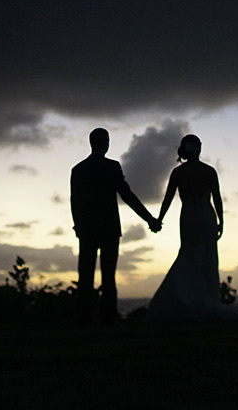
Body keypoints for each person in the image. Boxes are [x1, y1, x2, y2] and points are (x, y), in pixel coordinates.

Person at [146, 134, 238, 322]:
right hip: (204, 217)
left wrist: (159, 220)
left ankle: (190, 299)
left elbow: (168, 199)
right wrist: (221, 221)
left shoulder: (179, 173)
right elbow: (216, 199)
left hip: (189, 217)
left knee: (190, 256)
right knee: (207, 259)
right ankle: (204, 299)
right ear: (195, 148)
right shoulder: (207, 171)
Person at [70, 127, 161, 326]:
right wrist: (149, 218)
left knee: (85, 275)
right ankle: (108, 318)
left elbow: (74, 201)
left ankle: (84, 317)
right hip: (109, 228)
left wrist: (78, 226)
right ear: (105, 143)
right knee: (108, 277)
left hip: (87, 229)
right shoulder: (112, 167)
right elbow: (127, 195)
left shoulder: (78, 170)